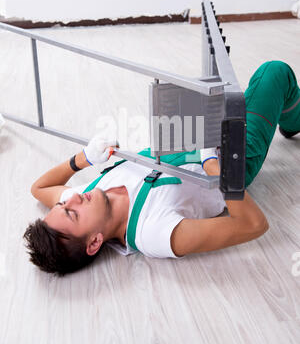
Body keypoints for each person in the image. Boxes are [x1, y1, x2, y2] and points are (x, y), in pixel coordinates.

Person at [23, 60, 300, 276]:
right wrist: (213, 166)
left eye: (62, 205)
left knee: (230, 85)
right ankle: (291, 117)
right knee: (274, 74)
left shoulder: (89, 194)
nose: (71, 198)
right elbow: (253, 225)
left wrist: (82, 159)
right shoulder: (153, 232)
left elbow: (40, 188)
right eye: (71, 212)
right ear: (94, 243)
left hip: (193, 134)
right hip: (233, 158)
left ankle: (283, 112)